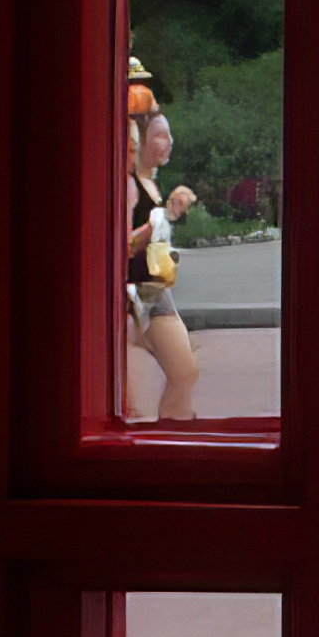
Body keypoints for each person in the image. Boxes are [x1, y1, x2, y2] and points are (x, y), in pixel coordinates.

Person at [125, 112, 201, 421]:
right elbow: (116, 242)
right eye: (159, 135)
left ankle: (175, 425)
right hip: (137, 295)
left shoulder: (150, 183)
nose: (168, 141)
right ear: (138, 141)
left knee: (184, 372)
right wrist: (146, 232)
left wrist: (170, 210)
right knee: (179, 374)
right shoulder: (128, 186)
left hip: (154, 291)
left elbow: (153, 227)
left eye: (168, 134)